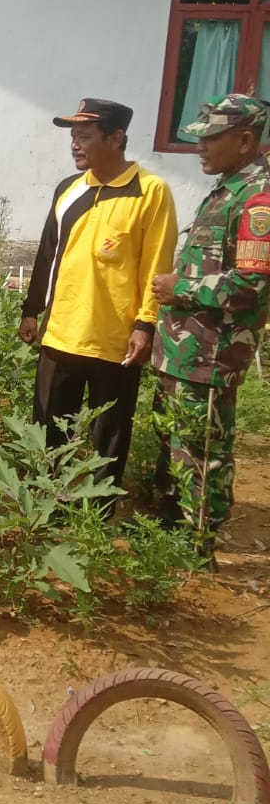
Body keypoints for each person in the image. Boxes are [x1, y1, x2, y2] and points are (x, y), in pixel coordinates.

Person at [19, 98, 177, 490]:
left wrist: (145, 325)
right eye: (73, 136)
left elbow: (157, 266)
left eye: (84, 136)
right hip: (59, 335)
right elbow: (46, 255)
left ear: (117, 137)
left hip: (116, 342)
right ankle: (48, 505)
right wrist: (30, 310)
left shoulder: (150, 192)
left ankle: (99, 514)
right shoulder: (68, 189)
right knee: (50, 429)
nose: (75, 144)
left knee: (109, 435)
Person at [149, 94, 270, 557]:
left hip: (213, 353)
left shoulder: (257, 198)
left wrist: (183, 287)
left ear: (244, 141)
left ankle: (196, 547)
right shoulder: (229, 188)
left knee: (202, 453)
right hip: (186, 352)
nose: (199, 147)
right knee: (179, 446)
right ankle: (173, 531)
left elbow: (250, 286)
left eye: (209, 138)